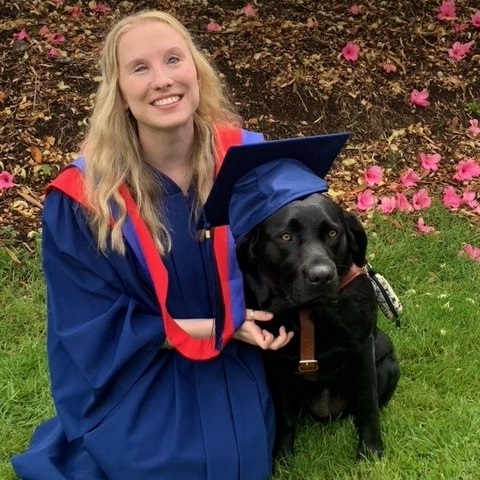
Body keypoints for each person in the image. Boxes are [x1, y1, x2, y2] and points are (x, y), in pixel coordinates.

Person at [11, 10, 295, 480]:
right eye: (140, 68)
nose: (162, 80)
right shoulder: (86, 200)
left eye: (173, 60)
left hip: (233, 357)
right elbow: (90, 325)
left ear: (197, 71)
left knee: (239, 462)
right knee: (170, 466)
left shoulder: (245, 160)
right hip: (142, 366)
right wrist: (223, 326)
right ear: (119, 92)